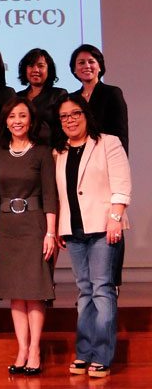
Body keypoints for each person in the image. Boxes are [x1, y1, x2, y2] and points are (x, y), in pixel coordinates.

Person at [54, 94, 131, 378]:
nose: (70, 120)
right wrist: (58, 228)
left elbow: (122, 183)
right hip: (73, 231)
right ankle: (84, 352)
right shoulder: (59, 151)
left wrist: (115, 219)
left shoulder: (108, 142)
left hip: (103, 228)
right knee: (84, 292)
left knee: (101, 289)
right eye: (64, 116)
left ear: (86, 115)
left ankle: (102, 355)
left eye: (75, 113)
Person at [0, 97, 56, 375]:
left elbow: (50, 194)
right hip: (5, 226)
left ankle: (35, 349)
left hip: (34, 225)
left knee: (34, 293)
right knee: (16, 294)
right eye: (12, 116)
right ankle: (22, 349)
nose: (17, 120)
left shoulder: (42, 152)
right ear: (5, 120)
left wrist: (50, 232)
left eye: (22, 116)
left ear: (31, 120)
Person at [69, 44, 129, 289]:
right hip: (80, 171)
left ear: (100, 65)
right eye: (81, 62)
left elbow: (121, 137)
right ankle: (89, 288)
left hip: (106, 170)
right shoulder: (72, 99)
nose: (86, 66)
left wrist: (116, 171)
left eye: (91, 61)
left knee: (110, 226)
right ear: (74, 69)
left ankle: (109, 286)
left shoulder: (112, 93)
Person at [17, 48, 67, 145]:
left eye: (41, 66)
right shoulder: (18, 97)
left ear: (49, 69)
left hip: (50, 150)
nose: (35, 70)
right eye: (31, 66)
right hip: (22, 151)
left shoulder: (59, 95)